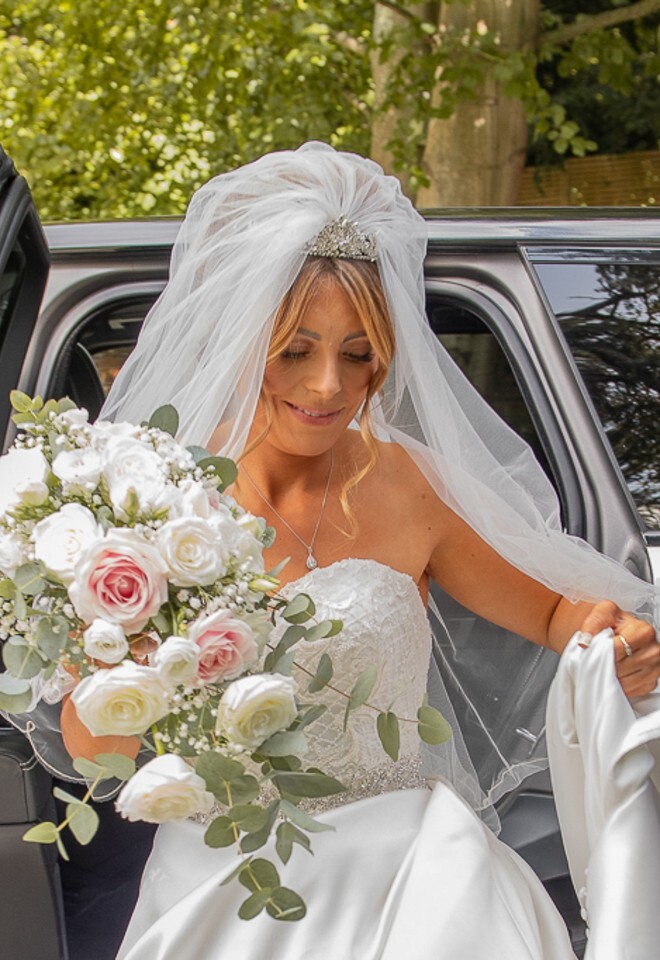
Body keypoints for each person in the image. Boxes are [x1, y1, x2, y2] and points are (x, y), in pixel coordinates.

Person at [98, 143, 659, 959]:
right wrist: (111, 668)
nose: (328, 384)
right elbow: (101, 753)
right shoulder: (155, 499)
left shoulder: (410, 484)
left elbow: (552, 610)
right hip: (226, 889)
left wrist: (611, 634)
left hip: (421, 888)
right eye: (296, 349)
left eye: (357, 353)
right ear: (240, 336)